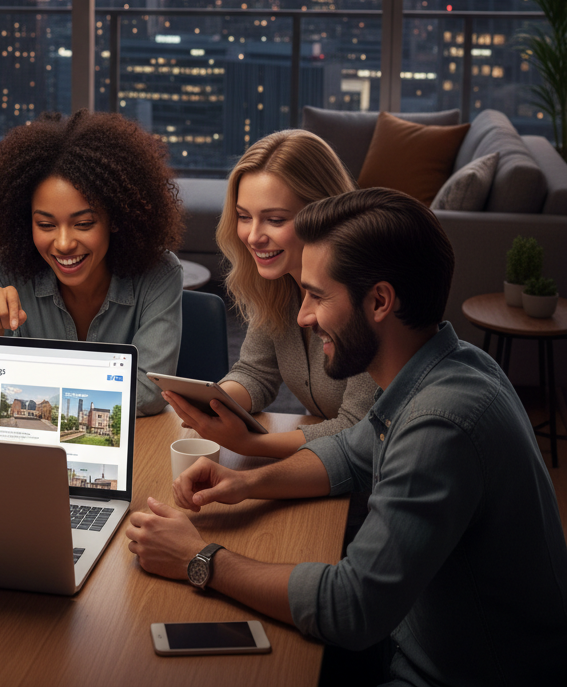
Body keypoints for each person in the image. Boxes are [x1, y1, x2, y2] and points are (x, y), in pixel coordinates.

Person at [126, 188, 567, 685]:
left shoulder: (439, 423)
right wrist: (243, 483)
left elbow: (351, 606)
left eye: (317, 295)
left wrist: (197, 558)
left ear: (379, 300)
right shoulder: (450, 364)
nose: (303, 316)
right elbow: (349, 455)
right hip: (410, 637)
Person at [162, 129, 375, 457]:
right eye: (244, 217)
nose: (253, 236)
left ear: (324, 212)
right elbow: (255, 372)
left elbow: (357, 427)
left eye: (275, 219)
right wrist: (216, 403)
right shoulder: (278, 282)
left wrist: (254, 445)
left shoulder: (363, 297)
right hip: (330, 462)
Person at [0, 110, 185, 416]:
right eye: (45, 225)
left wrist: (35, 383)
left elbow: (150, 392)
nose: (62, 243)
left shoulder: (160, 273)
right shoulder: (11, 269)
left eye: (83, 224)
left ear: (115, 218)